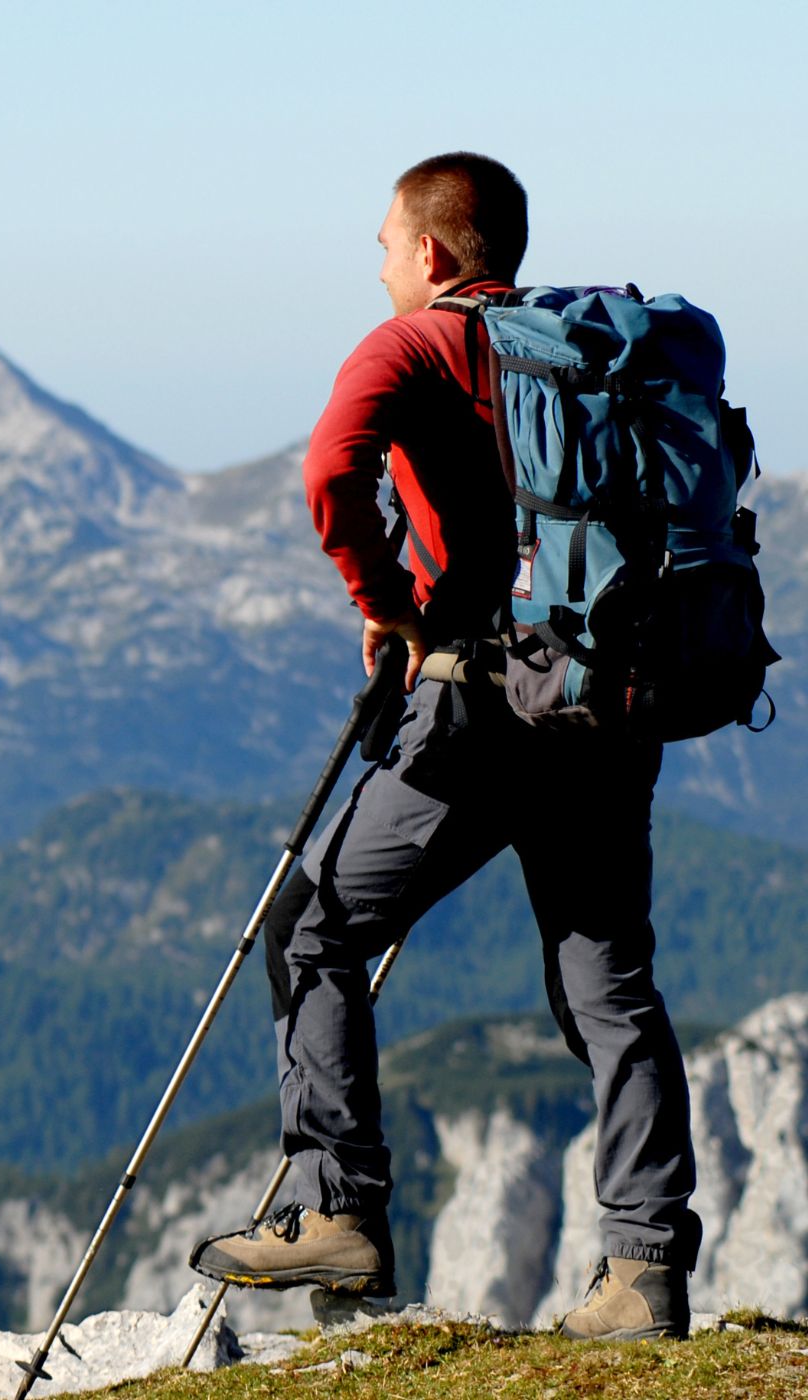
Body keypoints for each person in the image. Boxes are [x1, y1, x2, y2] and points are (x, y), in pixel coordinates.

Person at [189, 152, 701, 1341]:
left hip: (475, 710)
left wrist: (391, 603)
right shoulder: (575, 354)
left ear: (430, 253)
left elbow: (330, 475)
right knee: (611, 987)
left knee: (313, 922)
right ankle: (643, 1273)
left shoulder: (410, 345)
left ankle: (339, 1205)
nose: (377, 265)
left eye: (382, 245)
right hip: (603, 702)